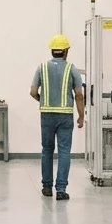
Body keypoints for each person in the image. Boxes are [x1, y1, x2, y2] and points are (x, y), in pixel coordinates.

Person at [30, 35, 85, 200]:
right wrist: (81, 116)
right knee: (64, 151)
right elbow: (79, 95)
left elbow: (33, 92)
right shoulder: (72, 69)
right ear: (66, 51)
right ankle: (61, 189)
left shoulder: (41, 68)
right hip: (65, 116)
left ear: (52, 50)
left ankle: (46, 187)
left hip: (46, 115)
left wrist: (43, 100)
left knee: (46, 150)